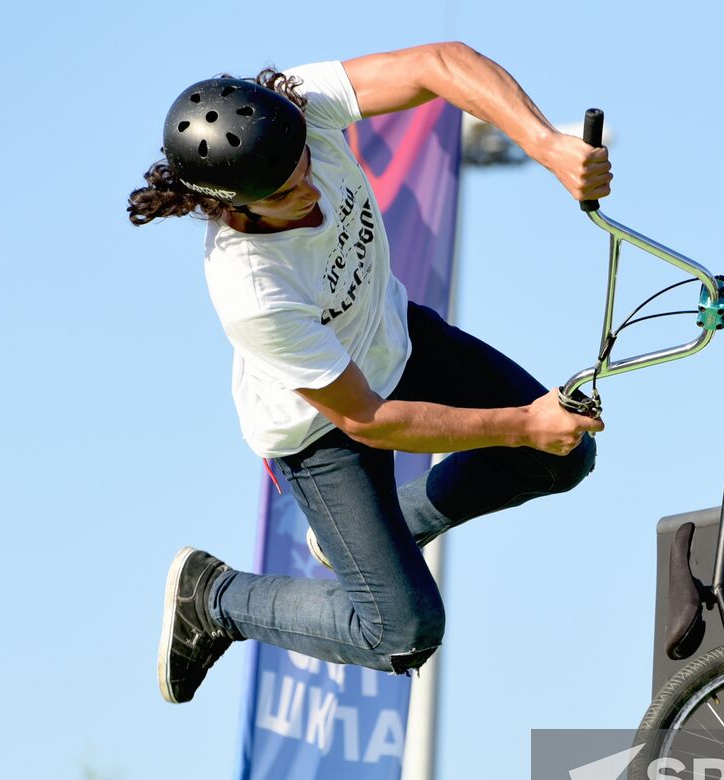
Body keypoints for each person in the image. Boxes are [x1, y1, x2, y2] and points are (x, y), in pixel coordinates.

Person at [127, 42, 610, 703]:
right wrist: (525, 423)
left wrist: (544, 142)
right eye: (288, 192)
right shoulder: (252, 288)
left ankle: (378, 532)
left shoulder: (300, 104)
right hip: (319, 434)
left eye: (306, 165)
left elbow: (437, 65)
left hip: (398, 339)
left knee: (564, 458)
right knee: (402, 630)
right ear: (232, 206)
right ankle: (217, 597)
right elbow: (366, 418)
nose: (313, 191)